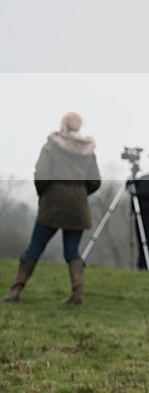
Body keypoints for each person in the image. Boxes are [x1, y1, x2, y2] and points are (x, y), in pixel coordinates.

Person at [3, 112, 101, 305]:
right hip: (78, 206)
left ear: (63, 124)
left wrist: (44, 193)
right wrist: (79, 194)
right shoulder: (88, 151)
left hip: (53, 203)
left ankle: (15, 290)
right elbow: (95, 182)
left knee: (35, 247)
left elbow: (41, 175)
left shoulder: (51, 146)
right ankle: (77, 295)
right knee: (72, 251)